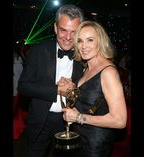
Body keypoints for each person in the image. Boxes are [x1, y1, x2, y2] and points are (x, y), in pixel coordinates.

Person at [17, 4, 84, 157]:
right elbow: (23, 86)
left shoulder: (84, 56)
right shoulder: (38, 50)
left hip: (69, 123)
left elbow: (90, 94)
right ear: (55, 28)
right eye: (63, 30)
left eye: (74, 32)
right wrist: (57, 90)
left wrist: (73, 91)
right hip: (41, 121)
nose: (68, 37)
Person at [61, 20, 127, 157]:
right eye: (79, 41)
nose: (83, 46)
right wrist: (70, 89)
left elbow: (120, 121)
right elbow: (91, 101)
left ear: (100, 42)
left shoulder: (108, 72)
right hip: (80, 139)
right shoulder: (87, 67)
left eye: (90, 40)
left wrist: (78, 117)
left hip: (95, 145)